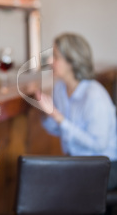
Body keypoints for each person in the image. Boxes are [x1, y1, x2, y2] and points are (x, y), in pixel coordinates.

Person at [35, 32, 117, 190]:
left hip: (106, 165)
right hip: (77, 162)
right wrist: (46, 112)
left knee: (62, 190)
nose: (50, 61)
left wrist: (59, 118)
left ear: (72, 62)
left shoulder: (94, 96)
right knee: (43, 185)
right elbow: (57, 130)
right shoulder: (59, 87)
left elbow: (99, 145)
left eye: (56, 56)